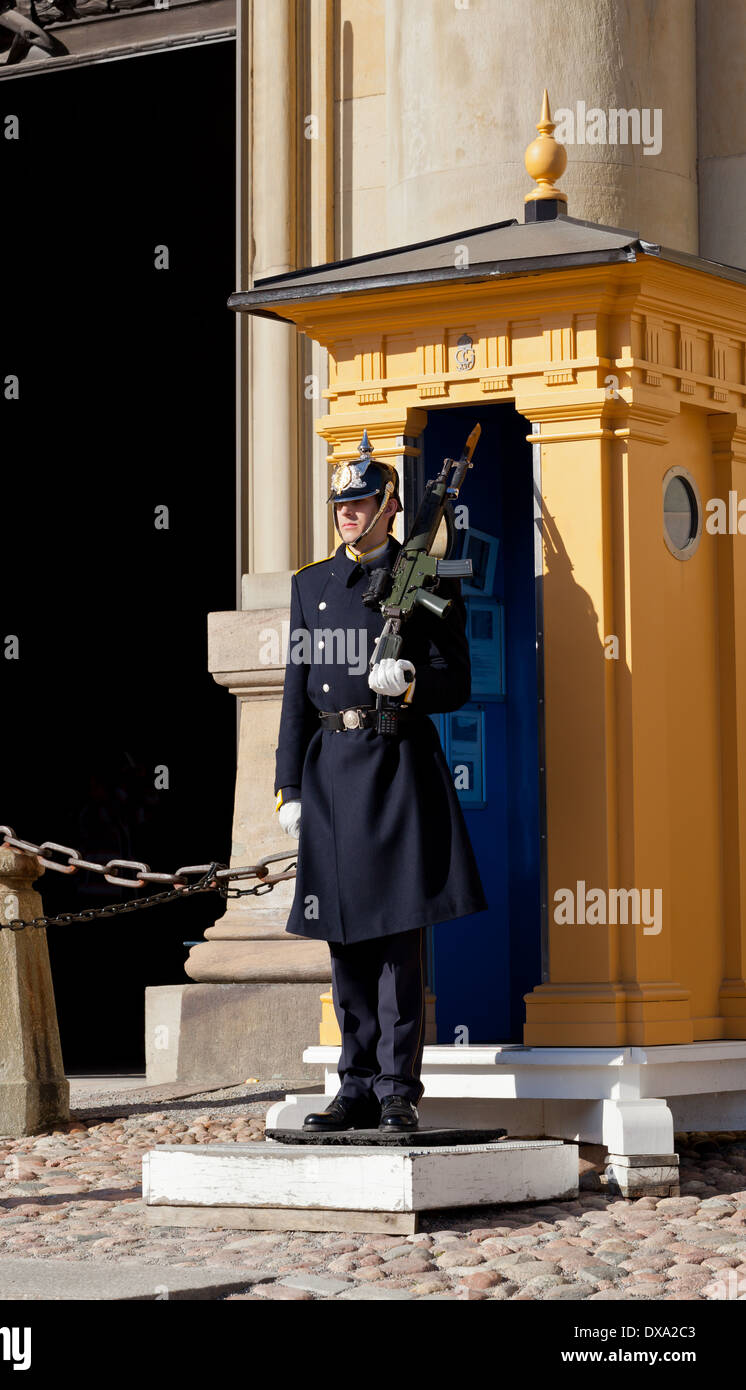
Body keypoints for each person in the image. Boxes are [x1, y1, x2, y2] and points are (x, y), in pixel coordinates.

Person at [274, 430, 487, 1133]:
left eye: (362, 502)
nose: (349, 513)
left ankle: (398, 1087)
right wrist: (289, 786)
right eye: (342, 502)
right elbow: (296, 691)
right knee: (344, 936)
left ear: (391, 506)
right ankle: (354, 1084)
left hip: (395, 763)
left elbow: (459, 678)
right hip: (332, 769)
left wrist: (414, 681)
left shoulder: (425, 577)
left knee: (398, 936)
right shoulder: (311, 583)